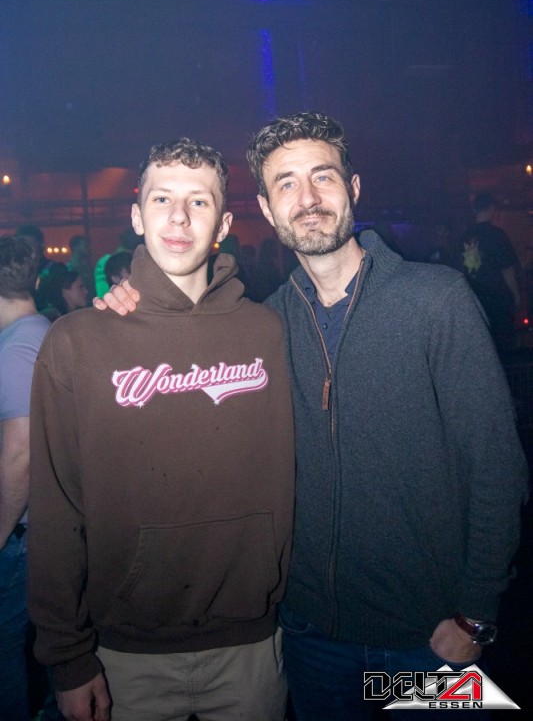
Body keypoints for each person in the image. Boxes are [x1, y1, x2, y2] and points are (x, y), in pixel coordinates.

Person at [99, 113, 529, 720]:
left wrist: (476, 614)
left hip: (427, 642)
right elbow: (187, 342)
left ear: (353, 188)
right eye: (286, 183)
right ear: (266, 209)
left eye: (322, 177)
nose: (307, 199)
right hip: (310, 640)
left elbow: (497, 468)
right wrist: (126, 309)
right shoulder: (266, 325)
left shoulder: (436, 301)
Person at [28, 137, 294, 721]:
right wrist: (66, 657)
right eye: (161, 198)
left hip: (250, 646)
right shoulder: (77, 342)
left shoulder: (270, 333)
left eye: (199, 201)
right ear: (136, 215)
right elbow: (55, 507)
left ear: (224, 224)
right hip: (122, 655)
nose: (178, 216)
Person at [0, 236, 50, 721]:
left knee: (4, 649)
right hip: (34, 528)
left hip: (19, 533)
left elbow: (20, 454)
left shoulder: (17, 347)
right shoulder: (41, 329)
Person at [459, 190, 522, 354]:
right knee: (502, 346)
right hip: (497, 299)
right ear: (491, 208)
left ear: (475, 209)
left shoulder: (464, 236)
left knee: (480, 347)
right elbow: (507, 269)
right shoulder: (497, 235)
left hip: (473, 298)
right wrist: (516, 295)